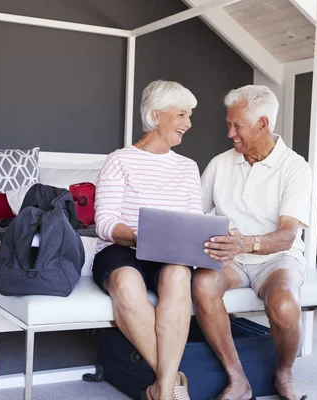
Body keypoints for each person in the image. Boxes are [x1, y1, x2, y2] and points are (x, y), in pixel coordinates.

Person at [194, 85, 311, 400]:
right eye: (228, 124)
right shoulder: (220, 164)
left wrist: (247, 243)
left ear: (263, 125)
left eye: (237, 126)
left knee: (285, 305)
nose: (230, 132)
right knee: (203, 284)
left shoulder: (295, 168)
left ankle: (284, 374)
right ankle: (238, 381)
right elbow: (194, 211)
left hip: (277, 259)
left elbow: (288, 235)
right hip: (231, 258)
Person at [93, 80, 203, 400]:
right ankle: (170, 383)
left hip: (171, 252)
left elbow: (194, 221)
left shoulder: (187, 167)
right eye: (181, 114)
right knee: (127, 282)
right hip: (122, 249)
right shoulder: (120, 160)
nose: (188, 123)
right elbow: (105, 223)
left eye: (189, 116)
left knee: (179, 275)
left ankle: (161, 388)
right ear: (156, 115)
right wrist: (140, 236)